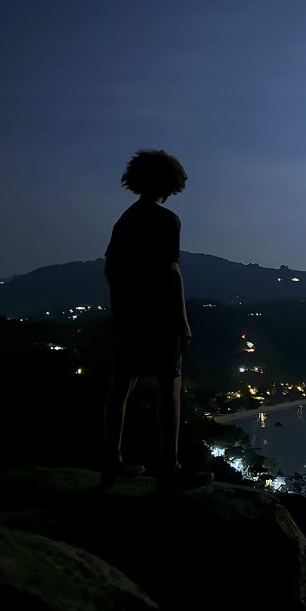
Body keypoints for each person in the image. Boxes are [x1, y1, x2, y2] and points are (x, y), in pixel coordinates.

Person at [102, 149, 210, 490]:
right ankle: (169, 466)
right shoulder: (166, 220)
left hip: (128, 315)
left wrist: (120, 309)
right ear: (171, 182)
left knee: (121, 386)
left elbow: (111, 268)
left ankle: (112, 462)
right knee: (169, 388)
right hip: (159, 316)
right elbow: (171, 271)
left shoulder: (126, 219)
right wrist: (182, 320)